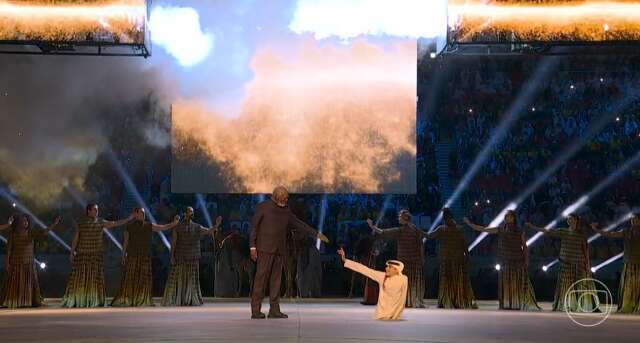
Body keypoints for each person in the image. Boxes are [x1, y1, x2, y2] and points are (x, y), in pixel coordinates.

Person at [249, 186, 329, 319]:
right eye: (284, 198)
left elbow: (299, 224)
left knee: (276, 281)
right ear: (276, 196)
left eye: (287, 198)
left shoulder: (286, 211)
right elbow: (254, 227)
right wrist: (252, 247)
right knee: (260, 280)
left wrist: (316, 234)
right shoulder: (263, 206)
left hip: (280, 250)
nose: (286, 200)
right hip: (264, 249)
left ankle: (274, 310)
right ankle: (255, 310)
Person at [62, 203, 135, 308]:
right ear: (89, 211)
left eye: (97, 210)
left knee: (95, 279)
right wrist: (72, 252)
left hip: (96, 255)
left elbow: (114, 223)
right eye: (95, 210)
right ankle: (80, 300)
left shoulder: (100, 221)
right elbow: (76, 238)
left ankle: (94, 299)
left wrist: (128, 219)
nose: (97, 211)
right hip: (83, 255)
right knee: (81, 278)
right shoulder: (81, 223)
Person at [465, 210, 540, 310]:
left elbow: (524, 246)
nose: (506, 218)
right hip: (505, 261)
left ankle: (518, 303)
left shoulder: (519, 230)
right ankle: (507, 303)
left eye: (508, 216)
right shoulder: (500, 229)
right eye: (505, 216)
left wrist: (527, 259)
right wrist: (470, 224)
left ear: (513, 218)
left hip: (518, 260)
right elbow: (484, 229)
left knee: (518, 283)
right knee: (507, 283)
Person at [526, 214, 597, 312]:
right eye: (568, 219)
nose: (569, 220)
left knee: (581, 284)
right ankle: (567, 304)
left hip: (579, 263)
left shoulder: (581, 234)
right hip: (565, 263)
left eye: (571, 219)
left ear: (576, 220)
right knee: (565, 285)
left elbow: (585, 249)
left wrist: (587, 264)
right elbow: (548, 231)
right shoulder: (563, 231)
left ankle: (582, 305)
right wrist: (533, 227)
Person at [111, 208, 180, 307]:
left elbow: (162, 227)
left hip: (144, 257)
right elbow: (125, 243)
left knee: (143, 279)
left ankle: (141, 299)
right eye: (141, 213)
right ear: (135, 214)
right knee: (130, 279)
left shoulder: (148, 225)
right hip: (132, 256)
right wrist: (123, 255)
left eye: (144, 213)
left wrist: (174, 223)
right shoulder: (129, 227)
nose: (143, 214)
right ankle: (129, 299)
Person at [367, 209, 427, 308]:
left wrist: (372, 226)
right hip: (414, 261)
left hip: (406, 261)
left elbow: (383, 232)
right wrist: (422, 258)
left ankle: (407, 300)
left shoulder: (402, 230)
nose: (398, 218)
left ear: (405, 218)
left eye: (400, 217)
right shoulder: (414, 230)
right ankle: (412, 300)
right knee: (412, 282)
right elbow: (421, 245)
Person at [162, 206, 221, 306]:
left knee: (191, 280)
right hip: (180, 256)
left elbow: (209, 231)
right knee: (178, 279)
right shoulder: (178, 227)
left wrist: (216, 225)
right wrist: (172, 256)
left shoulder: (197, 226)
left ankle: (190, 299)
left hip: (193, 257)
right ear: (184, 213)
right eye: (190, 212)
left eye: (192, 212)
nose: (191, 213)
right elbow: (174, 243)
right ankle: (177, 299)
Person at [0, 214, 60, 308]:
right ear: (19, 222)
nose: (25, 222)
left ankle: (26, 301)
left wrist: (53, 224)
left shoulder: (31, 232)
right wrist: (7, 263)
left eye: (26, 221)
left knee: (27, 284)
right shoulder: (13, 234)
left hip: (28, 263)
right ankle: (15, 301)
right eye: (23, 221)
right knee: (15, 284)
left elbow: (44, 232)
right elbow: (9, 249)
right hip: (16, 263)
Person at [338, 247, 407, 320]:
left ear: (397, 270)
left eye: (390, 267)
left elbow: (402, 298)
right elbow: (365, 270)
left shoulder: (403, 279)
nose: (386, 268)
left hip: (395, 315)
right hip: (382, 315)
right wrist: (345, 260)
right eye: (387, 267)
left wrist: (396, 315)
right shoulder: (382, 276)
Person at [591, 213, 640, 314]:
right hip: (628, 262)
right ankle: (628, 305)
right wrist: (597, 230)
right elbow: (611, 234)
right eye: (632, 219)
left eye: (635, 219)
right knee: (628, 286)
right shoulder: (626, 231)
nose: (633, 220)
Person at [429, 209, 477, 309]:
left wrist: (467, 256)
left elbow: (464, 244)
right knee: (449, 280)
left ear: (451, 218)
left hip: (456, 259)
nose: (447, 220)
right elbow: (429, 236)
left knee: (455, 280)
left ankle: (456, 300)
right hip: (447, 259)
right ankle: (451, 300)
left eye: (448, 218)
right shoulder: (442, 229)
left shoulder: (457, 229)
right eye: (446, 219)